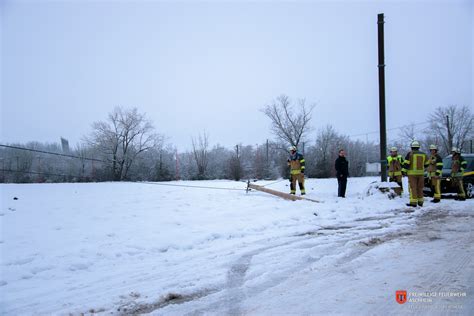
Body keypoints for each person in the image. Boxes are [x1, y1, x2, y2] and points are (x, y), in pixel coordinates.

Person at [402, 140, 428, 207]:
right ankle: (420, 202)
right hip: (421, 174)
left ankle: (413, 202)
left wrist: (403, 171)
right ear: (418, 147)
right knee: (420, 188)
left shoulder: (410, 154)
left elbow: (406, 164)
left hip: (412, 174)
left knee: (413, 188)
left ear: (411, 147)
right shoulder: (424, 154)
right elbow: (427, 164)